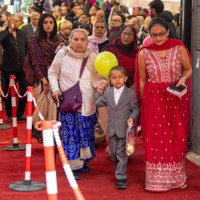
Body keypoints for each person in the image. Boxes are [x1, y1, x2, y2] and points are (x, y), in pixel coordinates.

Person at [135, 17, 192, 192]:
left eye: (161, 34)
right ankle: (156, 180)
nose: (158, 38)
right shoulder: (144, 52)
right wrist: (144, 104)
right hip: (154, 99)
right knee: (156, 137)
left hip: (175, 98)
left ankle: (177, 178)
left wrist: (181, 79)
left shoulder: (178, 47)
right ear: (149, 34)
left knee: (177, 135)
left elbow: (188, 68)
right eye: (154, 35)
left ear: (168, 31)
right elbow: (142, 80)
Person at [48, 28, 108, 180]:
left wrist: (102, 85)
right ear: (70, 40)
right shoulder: (62, 54)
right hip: (68, 103)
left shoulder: (93, 57)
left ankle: (84, 161)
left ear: (87, 41)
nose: (79, 42)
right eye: (76, 39)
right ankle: (73, 165)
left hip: (87, 103)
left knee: (87, 135)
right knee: (70, 135)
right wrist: (55, 89)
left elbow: (101, 77)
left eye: (83, 39)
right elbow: (52, 73)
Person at [96, 66, 139, 189]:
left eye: (120, 77)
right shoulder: (108, 92)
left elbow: (135, 108)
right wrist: (98, 92)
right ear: (110, 80)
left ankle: (121, 176)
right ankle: (118, 170)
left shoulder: (130, 94)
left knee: (121, 153)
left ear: (125, 78)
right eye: (114, 78)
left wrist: (132, 117)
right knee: (113, 153)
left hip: (124, 129)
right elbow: (99, 102)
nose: (117, 80)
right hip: (112, 128)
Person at [23, 13, 64, 142]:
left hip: (56, 78)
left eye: (51, 22)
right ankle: (45, 137)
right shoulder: (35, 40)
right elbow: (34, 61)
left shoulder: (59, 40)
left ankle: (53, 138)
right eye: (45, 22)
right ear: (41, 24)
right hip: (41, 78)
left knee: (55, 109)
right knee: (43, 109)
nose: (48, 25)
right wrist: (43, 80)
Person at [0, 14, 28, 122]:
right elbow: (0, 41)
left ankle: (20, 113)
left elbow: (26, 48)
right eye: (15, 21)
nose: (17, 23)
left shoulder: (22, 33)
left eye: (18, 21)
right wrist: (8, 32)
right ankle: (10, 114)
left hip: (21, 68)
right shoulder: (4, 33)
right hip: (8, 68)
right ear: (9, 20)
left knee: (24, 89)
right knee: (8, 92)